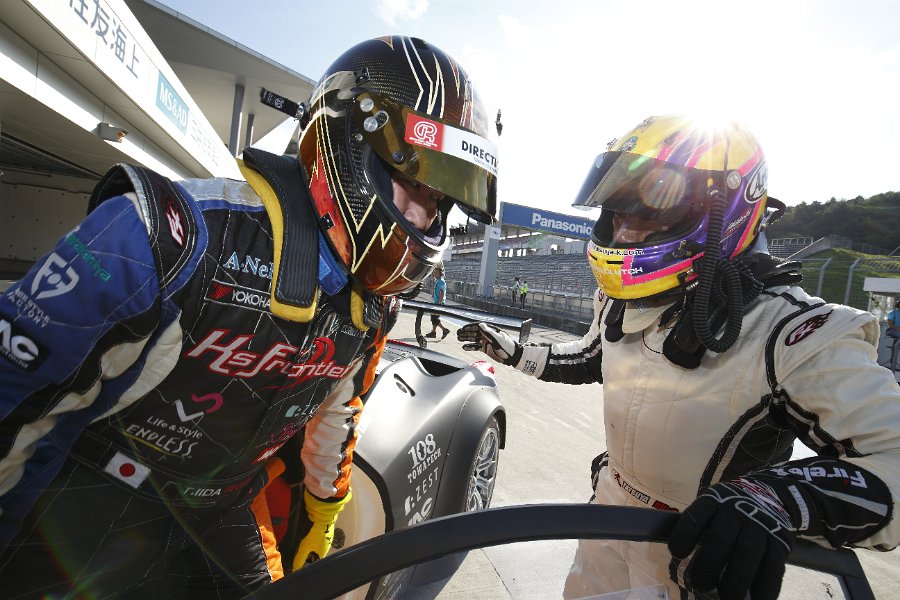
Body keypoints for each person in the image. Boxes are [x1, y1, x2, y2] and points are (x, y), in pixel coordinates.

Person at [0, 35, 497, 598]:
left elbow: (340, 412)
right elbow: (17, 397)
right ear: (348, 145)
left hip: (227, 506)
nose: (422, 216)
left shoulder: (373, 306)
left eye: (437, 201)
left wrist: (324, 514)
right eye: (412, 183)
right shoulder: (166, 233)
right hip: (89, 496)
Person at [458, 114, 900, 600]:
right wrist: (514, 351)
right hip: (608, 513)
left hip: (700, 545)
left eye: (652, 211)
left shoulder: (794, 330)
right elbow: (589, 357)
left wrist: (776, 496)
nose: (626, 232)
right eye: (618, 213)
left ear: (723, 210)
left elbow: (892, 456)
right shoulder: (622, 300)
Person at [426, 265, 451, 340]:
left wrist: (440, 303)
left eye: (436, 272)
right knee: (434, 317)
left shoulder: (441, 281)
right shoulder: (438, 280)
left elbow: (442, 292)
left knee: (434, 318)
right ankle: (433, 332)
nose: (435, 274)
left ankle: (444, 330)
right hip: (436, 302)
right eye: (434, 272)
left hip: (439, 303)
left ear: (440, 273)